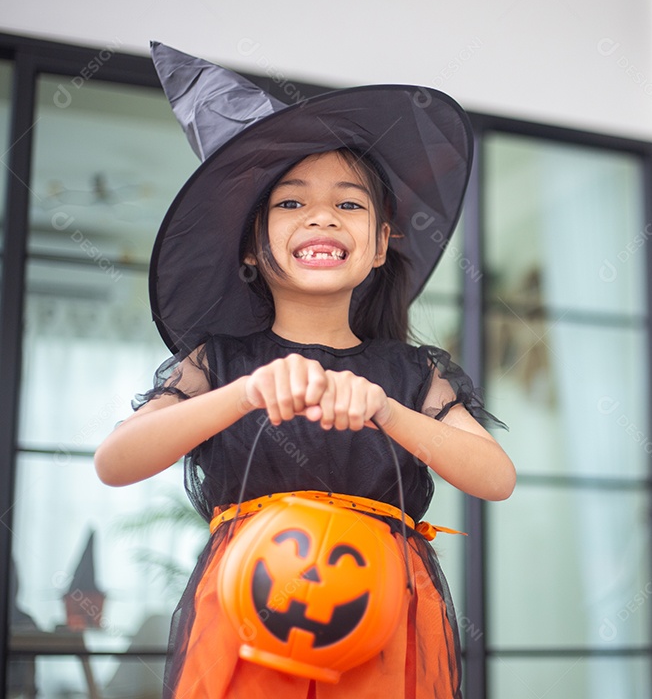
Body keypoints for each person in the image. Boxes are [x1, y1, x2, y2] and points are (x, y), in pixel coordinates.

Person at [94, 43, 515, 698]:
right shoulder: (219, 364)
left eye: (349, 203)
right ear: (252, 246)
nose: (321, 215)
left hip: (383, 626)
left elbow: (495, 477)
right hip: (244, 622)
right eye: (290, 203)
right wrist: (244, 393)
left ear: (379, 244)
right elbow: (115, 462)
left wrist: (385, 409)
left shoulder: (412, 372)